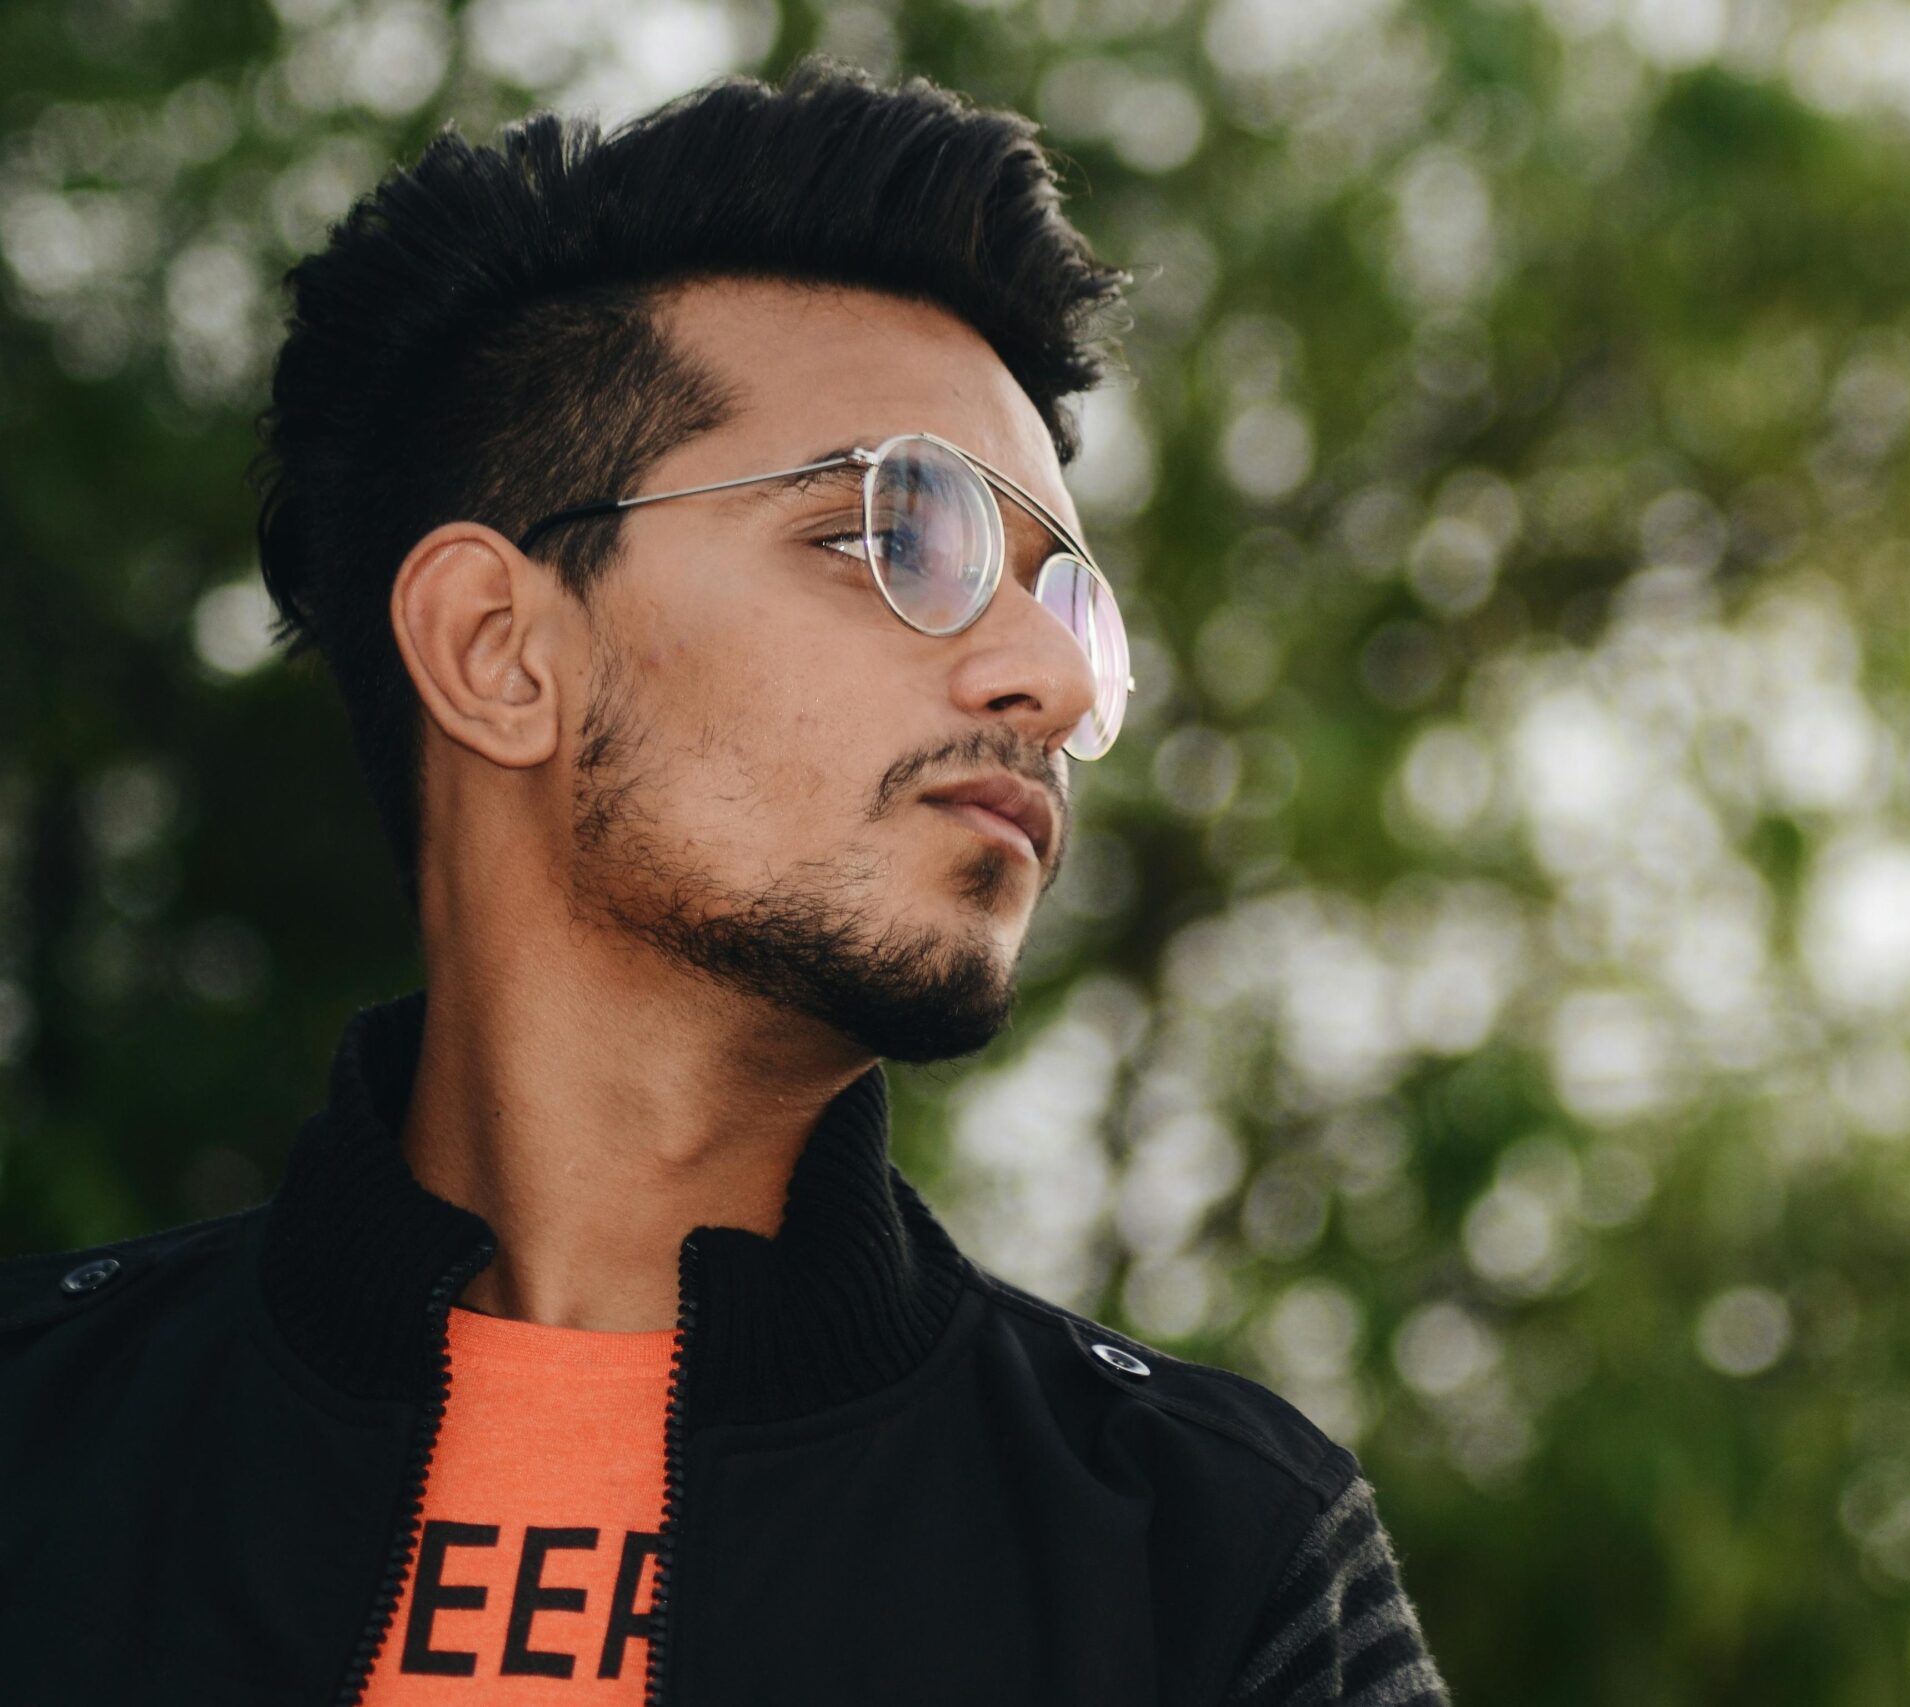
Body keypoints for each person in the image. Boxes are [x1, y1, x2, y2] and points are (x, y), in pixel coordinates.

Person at [0, 58, 1450, 1705]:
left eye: (1070, 604)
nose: (1042, 679)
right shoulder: (36, 1452)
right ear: (498, 651)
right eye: (893, 535)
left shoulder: (1209, 1553)